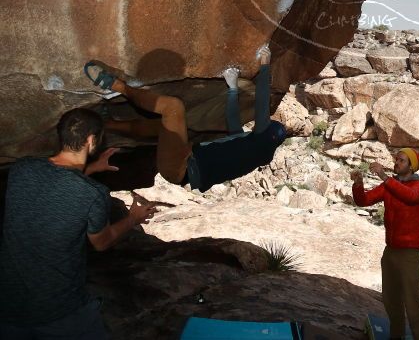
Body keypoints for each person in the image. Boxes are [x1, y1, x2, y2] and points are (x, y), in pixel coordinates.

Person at [0, 108, 157, 339]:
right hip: (59, 311)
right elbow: (102, 242)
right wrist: (133, 218)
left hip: (8, 304)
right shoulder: (93, 193)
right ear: (92, 140)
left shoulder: (21, 169)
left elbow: (54, 181)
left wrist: (91, 168)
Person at [83, 45, 286, 192]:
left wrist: (265, 65)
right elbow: (233, 123)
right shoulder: (253, 148)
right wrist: (232, 89)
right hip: (182, 163)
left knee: (173, 109)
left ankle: (116, 87)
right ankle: (106, 124)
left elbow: (261, 104)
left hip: (180, 166)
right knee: (164, 127)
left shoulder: (261, 142)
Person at [351, 148, 419, 340]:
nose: (396, 163)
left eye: (401, 161)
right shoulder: (391, 186)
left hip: (410, 253)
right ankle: (397, 337)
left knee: (413, 302)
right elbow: (363, 201)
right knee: (391, 299)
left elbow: (409, 196)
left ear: (411, 166)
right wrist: (358, 184)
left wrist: (383, 175)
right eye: (396, 160)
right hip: (391, 251)